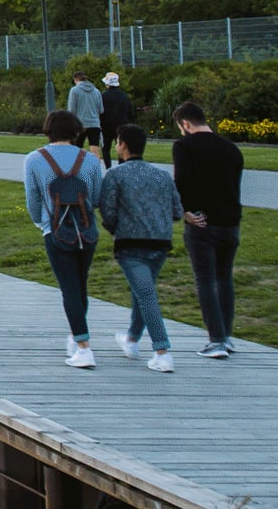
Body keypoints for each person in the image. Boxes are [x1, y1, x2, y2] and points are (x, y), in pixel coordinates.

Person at [23, 109, 105, 368]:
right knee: (80, 286)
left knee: (68, 288)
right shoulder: (90, 160)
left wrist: (41, 222)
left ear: (48, 129)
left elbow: (33, 199)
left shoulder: (34, 159)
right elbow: (97, 197)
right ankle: (76, 334)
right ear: (75, 130)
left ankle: (83, 347)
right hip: (86, 231)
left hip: (56, 231)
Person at [97, 124, 182, 373]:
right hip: (160, 243)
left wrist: (115, 228)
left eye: (117, 142)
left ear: (122, 145)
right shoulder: (163, 176)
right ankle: (132, 339)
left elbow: (109, 211)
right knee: (143, 291)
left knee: (146, 295)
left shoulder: (115, 175)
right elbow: (177, 211)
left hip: (131, 245)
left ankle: (162, 350)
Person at [171, 101, 244, 358]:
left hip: (202, 222)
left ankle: (216, 340)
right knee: (225, 278)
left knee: (205, 280)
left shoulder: (184, 146)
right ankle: (227, 334)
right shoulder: (231, 149)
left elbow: (182, 181)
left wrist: (186, 211)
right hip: (230, 222)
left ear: (186, 124)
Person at [66, 73, 105, 168]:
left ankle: (77, 170)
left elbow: (71, 110)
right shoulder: (96, 91)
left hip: (79, 124)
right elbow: (101, 110)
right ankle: (96, 171)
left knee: (76, 149)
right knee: (95, 149)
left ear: (75, 80)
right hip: (94, 124)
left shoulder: (74, 90)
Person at [98, 73, 132, 166]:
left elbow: (100, 111)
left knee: (105, 148)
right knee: (121, 146)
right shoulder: (124, 96)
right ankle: (121, 166)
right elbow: (129, 111)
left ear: (107, 83)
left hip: (106, 126)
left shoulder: (103, 96)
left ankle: (108, 167)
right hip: (121, 125)